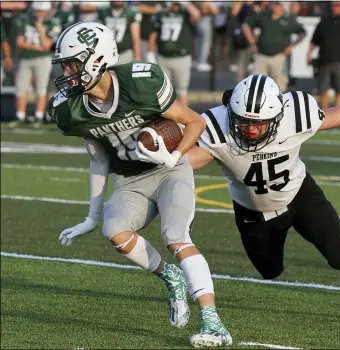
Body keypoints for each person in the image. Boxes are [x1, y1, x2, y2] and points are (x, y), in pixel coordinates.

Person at [187, 74, 340, 329]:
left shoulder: (296, 116)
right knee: (269, 270)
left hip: (300, 195)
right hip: (254, 211)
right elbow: (183, 162)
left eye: (259, 123)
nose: (250, 129)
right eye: (243, 120)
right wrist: (158, 156)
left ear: (277, 116)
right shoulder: (218, 129)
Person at [47, 22, 231, 348]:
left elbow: (195, 121)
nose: (68, 72)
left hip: (169, 171)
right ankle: (170, 277)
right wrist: (92, 216)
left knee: (176, 237)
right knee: (113, 230)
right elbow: (98, 159)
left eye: (73, 63)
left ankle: (213, 321)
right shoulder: (71, 110)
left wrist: (174, 157)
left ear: (97, 59)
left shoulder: (140, 83)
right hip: (130, 180)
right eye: (65, 64)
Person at [11, 1, 61, 127]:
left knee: (41, 88)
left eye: (42, 11)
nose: (40, 14)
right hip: (25, 58)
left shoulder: (53, 23)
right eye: (38, 11)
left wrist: (39, 27)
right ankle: (20, 116)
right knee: (21, 87)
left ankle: (39, 116)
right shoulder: (25, 20)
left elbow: (47, 45)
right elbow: (19, 42)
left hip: (43, 59)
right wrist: (37, 47)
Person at [242, 1, 306, 92]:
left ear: (283, 6)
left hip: (279, 57)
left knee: (280, 87)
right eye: (275, 4)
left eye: (278, 4)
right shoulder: (264, 16)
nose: (276, 7)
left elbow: (302, 33)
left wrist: (291, 46)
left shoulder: (288, 19)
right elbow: (246, 25)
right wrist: (252, 42)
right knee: (256, 85)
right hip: (262, 55)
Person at [148, 1, 200, 106]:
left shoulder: (185, 14)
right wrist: (150, 52)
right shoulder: (161, 14)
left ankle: (183, 121)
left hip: (181, 57)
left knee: (182, 91)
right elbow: (154, 34)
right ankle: (164, 121)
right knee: (162, 91)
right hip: (162, 56)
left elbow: (196, 15)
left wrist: (185, 2)